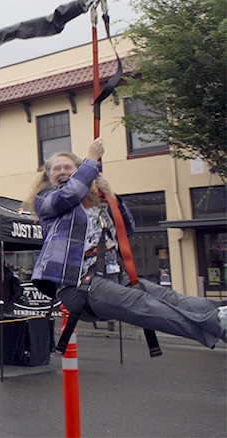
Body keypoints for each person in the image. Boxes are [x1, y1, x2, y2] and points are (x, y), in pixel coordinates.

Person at [26, 138, 227, 348]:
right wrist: (92, 160)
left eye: (68, 167)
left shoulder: (97, 205)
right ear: (48, 177)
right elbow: (70, 194)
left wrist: (111, 195)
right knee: (144, 305)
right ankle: (216, 323)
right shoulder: (47, 201)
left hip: (113, 275)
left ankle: (218, 312)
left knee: (165, 296)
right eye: (56, 169)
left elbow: (127, 228)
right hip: (77, 284)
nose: (62, 171)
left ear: (77, 171)